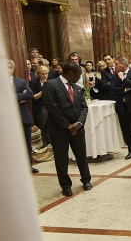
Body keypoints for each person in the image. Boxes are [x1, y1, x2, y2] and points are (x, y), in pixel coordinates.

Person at [42, 63, 93, 196]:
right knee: (61, 159)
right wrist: (67, 126)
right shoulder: (51, 85)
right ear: (70, 73)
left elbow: (84, 107)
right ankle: (65, 185)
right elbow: (52, 108)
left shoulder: (77, 88)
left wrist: (79, 123)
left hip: (77, 128)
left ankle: (86, 180)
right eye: (78, 75)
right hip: (58, 129)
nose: (79, 78)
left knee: (81, 155)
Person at [8, 60, 38, 174]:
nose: (7, 69)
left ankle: (29, 165)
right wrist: (20, 96)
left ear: (13, 69)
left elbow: (29, 94)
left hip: (23, 115)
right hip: (8, 117)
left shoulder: (20, 82)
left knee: (27, 143)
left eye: (9, 67)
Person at [30, 64, 51, 148]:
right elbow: (33, 97)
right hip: (41, 107)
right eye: (43, 74)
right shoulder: (33, 83)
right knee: (44, 126)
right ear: (38, 74)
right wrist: (43, 91)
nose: (45, 76)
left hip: (51, 106)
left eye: (46, 73)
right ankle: (47, 145)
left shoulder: (51, 82)